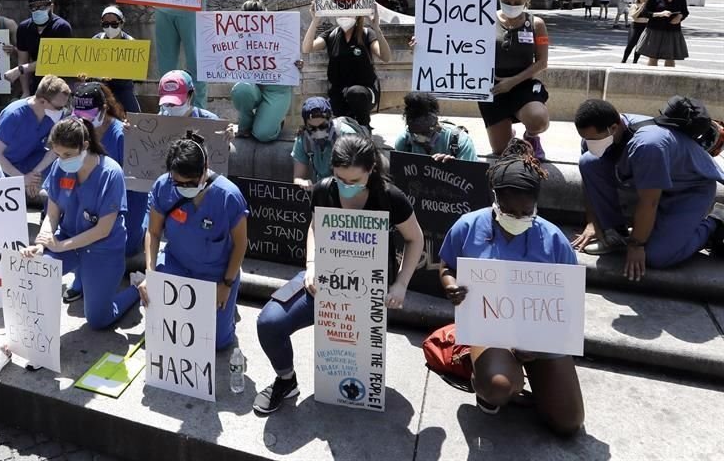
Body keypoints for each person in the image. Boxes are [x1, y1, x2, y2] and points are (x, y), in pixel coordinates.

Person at [253, 134, 424, 413]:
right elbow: (314, 227)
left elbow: (415, 238)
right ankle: (286, 379)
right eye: (340, 178)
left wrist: (401, 283)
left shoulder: (390, 197)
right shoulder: (323, 190)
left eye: (354, 181)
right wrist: (311, 265)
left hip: (369, 293)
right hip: (324, 281)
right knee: (269, 323)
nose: (346, 186)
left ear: (371, 170)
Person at [438, 139, 584, 435]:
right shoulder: (467, 226)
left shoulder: (554, 239)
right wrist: (451, 285)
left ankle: (533, 381)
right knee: (498, 386)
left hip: (541, 334)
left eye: (526, 213)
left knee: (569, 422)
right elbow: (446, 266)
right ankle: (488, 379)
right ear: (495, 199)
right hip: (491, 328)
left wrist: (541, 341)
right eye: (509, 211)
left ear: (536, 204)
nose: (517, 218)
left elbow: (570, 298)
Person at [571, 98, 724, 279]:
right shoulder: (600, 134)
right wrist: (593, 222)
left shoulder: (648, 145)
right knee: (589, 162)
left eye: (592, 139)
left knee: (658, 256)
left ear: (613, 128)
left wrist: (636, 245)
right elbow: (590, 181)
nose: (588, 143)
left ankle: (715, 222)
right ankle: (615, 233)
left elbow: (650, 202)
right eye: (585, 138)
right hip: (655, 182)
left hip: (689, 191)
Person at [19, 118, 140, 330]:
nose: (62, 160)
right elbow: (52, 214)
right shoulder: (59, 168)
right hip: (69, 239)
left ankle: (137, 288)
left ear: (84, 145)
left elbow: (103, 230)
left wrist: (60, 246)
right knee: (36, 271)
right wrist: (42, 244)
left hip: (102, 248)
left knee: (98, 320)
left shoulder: (111, 173)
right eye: (57, 154)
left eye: (67, 154)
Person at [139, 132, 248, 350]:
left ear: (205, 169)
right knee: (166, 332)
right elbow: (153, 232)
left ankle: (228, 313)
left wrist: (226, 283)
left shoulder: (228, 196)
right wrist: (150, 274)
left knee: (217, 343)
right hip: (176, 265)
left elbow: (240, 244)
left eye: (190, 182)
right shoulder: (163, 187)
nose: (184, 187)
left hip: (216, 273)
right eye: (178, 182)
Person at [62, 81, 147, 304]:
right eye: (79, 116)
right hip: (87, 199)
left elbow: (136, 187)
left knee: (116, 241)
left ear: (103, 109)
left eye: (89, 115)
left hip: (123, 202)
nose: (83, 121)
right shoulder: (76, 131)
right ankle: (81, 275)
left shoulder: (121, 135)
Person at [478, 0, 550, 160]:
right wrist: (423, 43)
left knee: (538, 120)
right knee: (501, 151)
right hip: (492, 89)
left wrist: (512, 82)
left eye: (517, 2)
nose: (512, 5)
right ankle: (508, 133)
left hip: (522, 84)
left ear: (526, 0)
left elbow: (542, 62)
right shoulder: (483, 19)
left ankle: (531, 137)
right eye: (507, 2)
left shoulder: (537, 24)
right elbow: (454, 42)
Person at [301, 3, 391, 129]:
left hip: (364, 93)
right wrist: (315, 20)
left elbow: (386, 57)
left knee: (355, 93)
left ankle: (364, 127)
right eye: (341, 10)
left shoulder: (366, 33)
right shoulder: (332, 34)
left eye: (349, 11)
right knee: (323, 111)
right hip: (339, 94)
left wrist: (376, 27)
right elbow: (307, 48)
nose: (344, 15)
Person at [0, 75, 70, 199]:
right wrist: (23, 179)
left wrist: (34, 176)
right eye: (59, 107)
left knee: (65, 161)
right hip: (4, 167)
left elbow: (55, 150)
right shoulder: (14, 114)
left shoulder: (54, 114)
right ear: (43, 101)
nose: (62, 110)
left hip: (31, 162)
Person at [230, 0, 301, 142]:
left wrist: (297, 64)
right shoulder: (235, 37)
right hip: (251, 87)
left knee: (263, 134)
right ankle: (246, 124)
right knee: (241, 89)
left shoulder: (281, 34)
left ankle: (272, 121)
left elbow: (292, 58)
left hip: (277, 89)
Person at [5, 0, 73, 97]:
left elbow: (52, 61)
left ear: (51, 6)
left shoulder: (62, 27)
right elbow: (22, 60)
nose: (38, 10)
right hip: (36, 82)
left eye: (42, 7)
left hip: (59, 81)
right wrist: (25, 91)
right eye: (34, 7)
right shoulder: (24, 28)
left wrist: (20, 69)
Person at [291, 97, 363, 189]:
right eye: (312, 128)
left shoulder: (347, 136)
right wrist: (302, 183)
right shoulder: (304, 139)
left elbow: (357, 176)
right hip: (321, 189)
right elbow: (298, 177)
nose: (318, 132)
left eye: (323, 126)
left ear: (330, 120)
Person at [394, 92, 478, 162]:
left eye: (426, 132)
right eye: (415, 133)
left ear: (435, 122)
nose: (421, 138)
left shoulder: (460, 142)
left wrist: (455, 166)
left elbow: (470, 174)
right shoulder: (405, 141)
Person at [90, 5, 141, 113]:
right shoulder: (96, 40)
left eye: (114, 24)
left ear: (121, 23)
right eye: (106, 24)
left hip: (123, 87)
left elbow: (135, 70)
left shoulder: (131, 42)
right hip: (101, 86)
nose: (110, 27)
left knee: (134, 114)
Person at [635, 0, 689, 68]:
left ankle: (669, 77)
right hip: (655, 31)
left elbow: (685, 12)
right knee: (653, 58)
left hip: (672, 31)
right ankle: (651, 76)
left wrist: (680, 17)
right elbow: (645, 13)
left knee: (670, 58)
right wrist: (659, 14)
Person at [621, 0, 649, 64]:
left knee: (639, 45)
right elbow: (634, 16)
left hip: (645, 26)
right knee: (631, 44)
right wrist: (641, 8)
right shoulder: (634, 5)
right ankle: (624, 60)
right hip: (635, 26)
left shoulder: (649, 6)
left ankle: (635, 61)